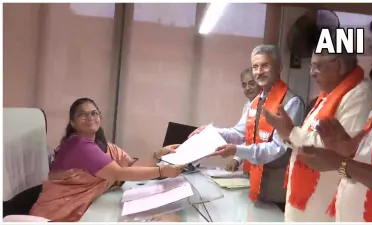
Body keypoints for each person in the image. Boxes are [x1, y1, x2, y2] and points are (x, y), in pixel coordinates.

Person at [263, 40, 372, 221]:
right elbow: (308, 139)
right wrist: (287, 134)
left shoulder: (362, 95)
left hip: (325, 211)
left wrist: (291, 132)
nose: (311, 73)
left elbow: (336, 151)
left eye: (317, 67)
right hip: (306, 206)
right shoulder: (326, 97)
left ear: (339, 65)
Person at [298, 10, 372, 222]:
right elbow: (368, 159)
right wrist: (346, 148)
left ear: (339, 65)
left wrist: (341, 162)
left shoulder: (364, 94)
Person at [30, 98, 186, 222]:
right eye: (82, 114)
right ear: (72, 122)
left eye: (94, 113)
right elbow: (119, 174)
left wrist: (157, 155)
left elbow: (131, 166)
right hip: (58, 216)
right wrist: (161, 171)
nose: (89, 117)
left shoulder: (104, 147)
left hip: (88, 209)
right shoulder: (78, 145)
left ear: (100, 117)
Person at [205, 45, 306, 204]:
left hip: (277, 190)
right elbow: (239, 134)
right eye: (255, 67)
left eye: (265, 66)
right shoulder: (256, 102)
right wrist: (210, 132)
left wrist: (237, 150)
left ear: (279, 67)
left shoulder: (291, 102)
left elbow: (277, 148)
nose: (259, 72)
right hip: (254, 184)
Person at [190, 68, 262, 172]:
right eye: (244, 85)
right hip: (252, 164)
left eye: (251, 84)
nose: (247, 88)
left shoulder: (263, 106)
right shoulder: (249, 105)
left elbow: (241, 136)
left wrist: (213, 132)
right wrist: (237, 159)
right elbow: (245, 136)